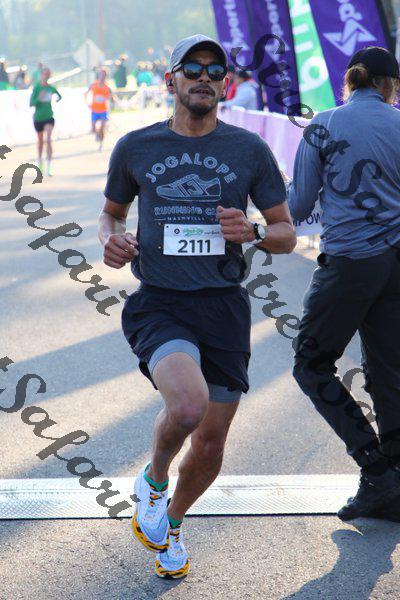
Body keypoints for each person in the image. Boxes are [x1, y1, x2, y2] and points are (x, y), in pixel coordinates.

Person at [99, 34, 296, 579]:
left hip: (224, 307)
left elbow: (285, 232)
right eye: (192, 67)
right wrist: (111, 240)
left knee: (210, 443)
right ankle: (154, 480)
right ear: (171, 80)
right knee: (188, 408)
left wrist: (254, 231)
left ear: (225, 84)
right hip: (160, 303)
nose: (204, 76)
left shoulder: (248, 149)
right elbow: (111, 213)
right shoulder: (136, 147)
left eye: (214, 69)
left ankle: (172, 522)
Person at [288, 46, 400, 522]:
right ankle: (393, 483)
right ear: (387, 85)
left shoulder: (324, 125)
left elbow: (297, 207)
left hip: (351, 261)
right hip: (396, 263)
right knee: (389, 373)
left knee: (311, 365)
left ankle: (376, 471)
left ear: (351, 80)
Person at [29, 67, 61, 176]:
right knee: (40, 141)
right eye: (45, 74)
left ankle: (49, 167)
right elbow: (31, 103)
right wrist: (39, 98)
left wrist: (57, 99)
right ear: (41, 75)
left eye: (48, 74)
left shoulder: (50, 88)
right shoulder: (37, 88)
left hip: (48, 116)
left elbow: (59, 96)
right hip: (38, 118)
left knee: (48, 139)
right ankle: (40, 163)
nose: (46, 76)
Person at [85, 67, 112, 151]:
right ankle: (97, 134)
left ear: (106, 76)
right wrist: (87, 104)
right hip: (94, 110)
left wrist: (107, 97)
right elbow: (86, 93)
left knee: (102, 128)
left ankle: (101, 144)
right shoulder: (93, 85)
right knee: (93, 129)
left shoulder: (107, 87)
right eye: (101, 74)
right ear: (99, 75)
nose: (102, 76)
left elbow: (110, 96)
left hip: (103, 110)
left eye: (104, 75)